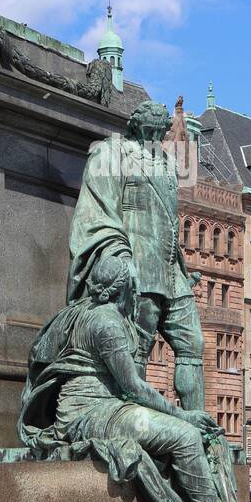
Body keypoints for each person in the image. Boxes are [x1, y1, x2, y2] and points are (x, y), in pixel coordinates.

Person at [18, 252, 251, 502]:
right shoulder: (107, 324)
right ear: (123, 288)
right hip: (93, 413)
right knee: (184, 436)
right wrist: (185, 415)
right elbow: (134, 388)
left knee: (176, 432)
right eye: (133, 284)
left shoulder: (77, 312)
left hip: (88, 409)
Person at [67, 99, 205, 410]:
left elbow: (167, 221)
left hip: (172, 272)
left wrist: (181, 266)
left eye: (161, 132)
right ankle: (136, 420)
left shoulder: (168, 163)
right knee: (137, 346)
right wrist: (119, 260)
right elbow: (97, 212)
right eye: (150, 131)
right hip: (138, 266)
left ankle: (201, 425)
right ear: (137, 126)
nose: (156, 139)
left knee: (193, 344)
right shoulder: (111, 153)